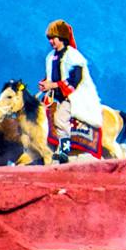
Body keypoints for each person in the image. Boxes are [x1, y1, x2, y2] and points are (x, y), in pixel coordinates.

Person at [43, 19, 105, 161]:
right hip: (53, 95)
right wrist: (45, 84)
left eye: (54, 38)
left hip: (71, 96)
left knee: (60, 118)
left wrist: (53, 85)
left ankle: (65, 149)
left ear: (62, 38)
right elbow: (48, 76)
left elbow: (75, 81)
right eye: (50, 39)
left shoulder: (73, 56)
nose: (51, 42)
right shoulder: (50, 57)